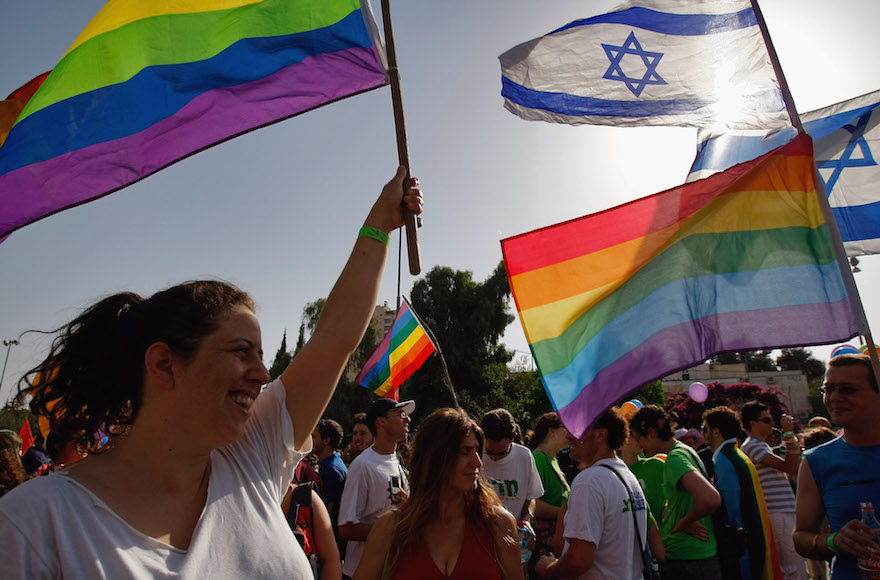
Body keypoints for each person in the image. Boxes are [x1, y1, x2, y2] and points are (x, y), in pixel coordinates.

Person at [0, 167, 423, 577]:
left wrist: (379, 224)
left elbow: (334, 336)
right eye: (242, 352)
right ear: (165, 364)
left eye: (261, 354)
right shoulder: (35, 526)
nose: (262, 373)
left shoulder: (253, 454)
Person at [353, 407, 523, 580]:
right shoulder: (391, 527)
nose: (477, 462)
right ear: (434, 458)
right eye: (464, 452)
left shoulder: (498, 524)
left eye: (477, 451)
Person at [536, 408, 664, 579]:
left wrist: (547, 568)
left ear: (600, 435)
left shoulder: (589, 481)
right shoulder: (627, 476)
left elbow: (578, 561)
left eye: (578, 429)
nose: (570, 436)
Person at [794, 353, 880, 580]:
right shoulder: (816, 461)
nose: (834, 397)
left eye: (848, 389)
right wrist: (834, 541)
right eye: (828, 389)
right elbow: (801, 537)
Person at [631, 405, 722, 580]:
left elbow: (711, 498)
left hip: (690, 560)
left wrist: (684, 522)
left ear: (650, 432)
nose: (640, 444)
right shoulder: (683, 450)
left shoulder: (675, 458)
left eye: (638, 437)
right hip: (695, 557)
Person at [702, 406, 783, 580]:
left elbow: (731, 506)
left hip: (741, 546)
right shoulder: (733, 454)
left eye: (704, 428)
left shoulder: (725, 459)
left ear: (716, 432)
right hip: (751, 539)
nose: (703, 433)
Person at [338, 397, 414, 579]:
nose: (408, 419)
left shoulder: (397, 461)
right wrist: (394, 528)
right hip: (361, 572)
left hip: (391, 570)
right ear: (381, 422)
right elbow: (345, 529)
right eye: (400, 415)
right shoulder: (362, 465)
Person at [740, 402, 805, 580]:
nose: (772, 424)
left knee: (794, 565)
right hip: (777, 513)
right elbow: (791, 466)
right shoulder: (753, 446)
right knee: (792, 568)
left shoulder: (760, 446)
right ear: (752, 423)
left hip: (781, 511)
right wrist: (789, 432)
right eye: (766, 420)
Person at [481, 408, 544, 577]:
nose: (493, 458)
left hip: (514, 545)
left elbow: (531, 497)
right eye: (489, 452)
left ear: (513, 439)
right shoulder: (474, 455)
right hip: (480, 543)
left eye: (500, 453)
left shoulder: (524, 456)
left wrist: (527, 519)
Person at [528, 412, 571, 570]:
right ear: (551, 431)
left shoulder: (553, 460)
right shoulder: (539, 459)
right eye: (565, 428)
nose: (571, 432)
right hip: (544, 548)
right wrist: (563, 512)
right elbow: (535, 504)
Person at [312, 418, 348, 517]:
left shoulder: (332, 469)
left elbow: (329, 511)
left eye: (314, 437)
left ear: (326, 440)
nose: (310, 441)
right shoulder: (330, 464)